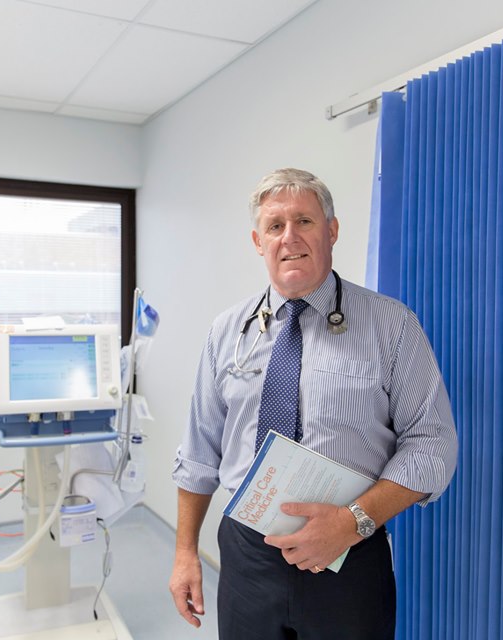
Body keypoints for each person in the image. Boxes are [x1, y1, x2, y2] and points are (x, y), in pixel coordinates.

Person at [169, 168, 458, 639]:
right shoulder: (227, 332)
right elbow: (199, 453)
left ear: (332, 230)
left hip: (349, 553)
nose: (290, 237)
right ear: (258, 241)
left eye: (304, 220)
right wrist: (185, 553)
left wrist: (351, 522)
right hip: (246, 555)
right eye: (275, 226)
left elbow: (433, 445)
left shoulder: (392, 326)